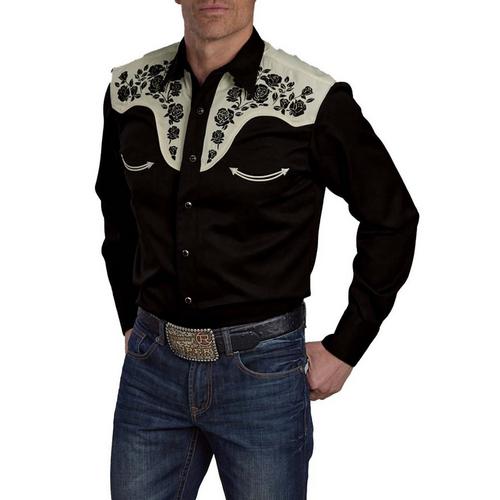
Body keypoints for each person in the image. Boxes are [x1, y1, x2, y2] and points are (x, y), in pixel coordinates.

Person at [95, 1, 420, 498]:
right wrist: (128, 317)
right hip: (151, 371)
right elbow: (116, 209)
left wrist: (347, 345)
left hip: (262, 376)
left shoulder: (312, 100)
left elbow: (392, 217)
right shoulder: (129, 93)